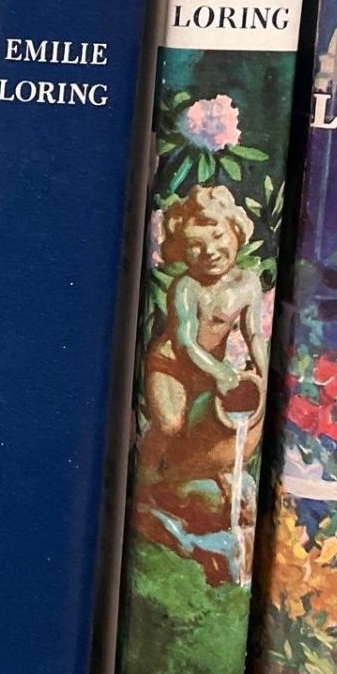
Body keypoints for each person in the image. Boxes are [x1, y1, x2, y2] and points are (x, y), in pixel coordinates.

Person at [133, 185, 269, 585]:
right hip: (171, 366)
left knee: (208, 431)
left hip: (208, 371)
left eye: (217, 236)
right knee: (171, 424)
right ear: (180, 251)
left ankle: (193, 483)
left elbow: (254, 333)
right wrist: (221, 372)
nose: (209, 251)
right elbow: (185, 343)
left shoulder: (247, 283)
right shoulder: (187, 287)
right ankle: (147, 477)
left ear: (236, 231)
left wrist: (262, 372)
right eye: (195, 245)